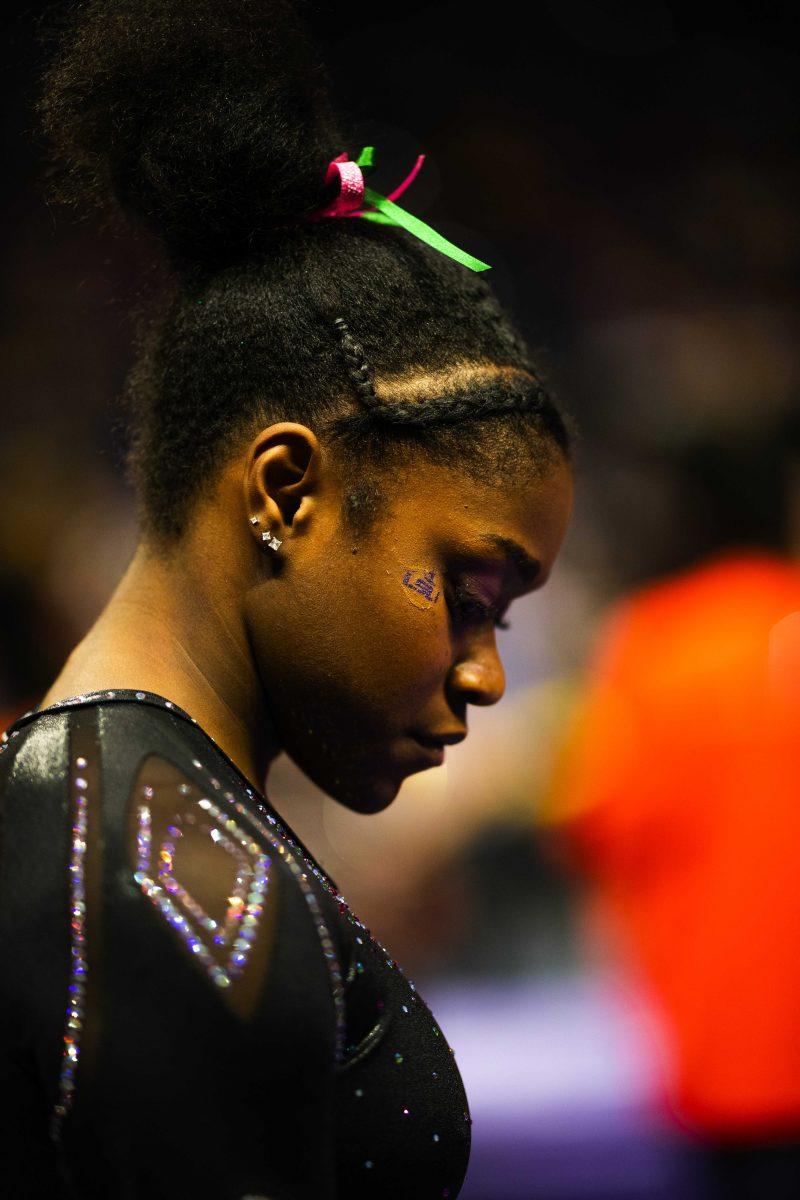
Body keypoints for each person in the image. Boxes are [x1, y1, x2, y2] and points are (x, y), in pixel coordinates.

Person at [0, 1, 575, 1197]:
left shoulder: (148, 813)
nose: (486, 675)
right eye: (464, 594)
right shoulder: (154, 866)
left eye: (502, 619)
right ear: (284, 490)